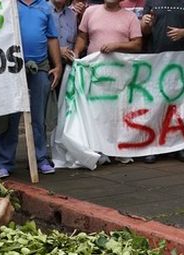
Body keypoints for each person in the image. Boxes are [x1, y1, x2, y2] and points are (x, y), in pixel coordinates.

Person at [0, 0, 62, 178]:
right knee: (10, 116)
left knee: (38, 116)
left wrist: (57, 65)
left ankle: (41, 159)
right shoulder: (7, 4)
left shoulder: (44, 6)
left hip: (40, 66)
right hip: (11, 66)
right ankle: (4, 162)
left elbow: (52, 37)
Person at [72, 0, 143, 165]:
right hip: (94, 71)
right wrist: (76, 51)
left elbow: (137, 44)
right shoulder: (90, 12)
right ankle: (98, 149)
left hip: (119, 72)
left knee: (118, 111)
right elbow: (83, 36)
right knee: (96, 111)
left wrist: (116, 46)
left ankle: (120, 149)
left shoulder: (130, 17)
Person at [141, 0, 184, 163]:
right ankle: (153, 147)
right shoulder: (151, 2)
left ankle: (178, 147)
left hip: (179, 62)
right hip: (156, 60)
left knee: (178, 107)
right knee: (155, 106)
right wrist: (147, 24)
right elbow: (144, 30)